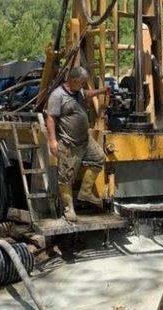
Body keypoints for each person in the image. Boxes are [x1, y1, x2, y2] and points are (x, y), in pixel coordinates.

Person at [46, 65, 109, 222]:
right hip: (69, 143)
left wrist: (101, 91)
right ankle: (69, 210)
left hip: (85, 141)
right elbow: (51, 118)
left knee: (99, 157)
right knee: (66, 178)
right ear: (73, 80)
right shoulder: (58, 95)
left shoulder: (78, 91)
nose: (83, 85)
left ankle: (85, 192)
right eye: (81, 82)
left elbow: (86, 94)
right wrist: (52, 140)